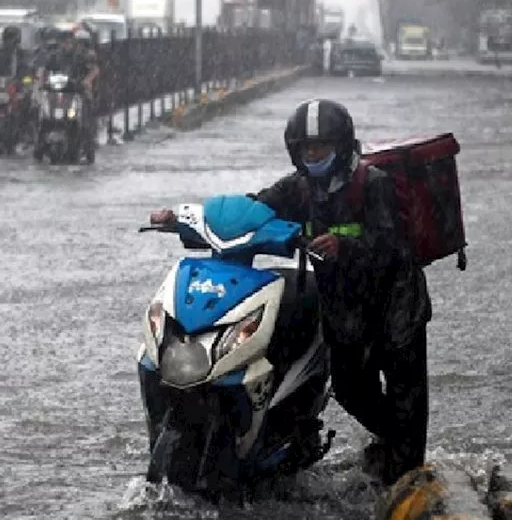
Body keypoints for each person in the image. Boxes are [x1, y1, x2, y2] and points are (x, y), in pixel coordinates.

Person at [150, 99, 433, 486]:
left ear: (342, 146)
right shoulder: (300, 188)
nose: (313, 155)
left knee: (406, 391)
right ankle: (392, 441)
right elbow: (250, 210)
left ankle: (409, 472)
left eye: (321, 147)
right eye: (306, 148)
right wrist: (183, 218)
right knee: (351, 389)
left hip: (394, 302)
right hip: (345, 302)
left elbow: (392, 245)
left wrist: (345, 246)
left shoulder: (373, 184)